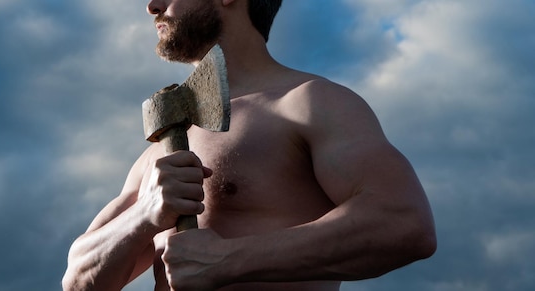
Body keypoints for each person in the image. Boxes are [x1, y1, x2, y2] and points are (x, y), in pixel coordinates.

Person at [62, 0, 437, 290]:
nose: (152, 6)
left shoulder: (309, 102)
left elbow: (403, 221)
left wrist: (228, 259)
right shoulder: (159, 152)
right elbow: (77, 279)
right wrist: (144, 215)